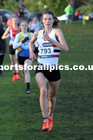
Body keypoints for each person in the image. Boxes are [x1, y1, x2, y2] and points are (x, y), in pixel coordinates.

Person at [29, 10, 69, 131]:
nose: (47, 21)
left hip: (54, 69)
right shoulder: (37, 33)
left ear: (53, 20)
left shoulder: (57, 32)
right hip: (41, 67)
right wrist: (31, 51)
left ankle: (50, 116)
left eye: (49, 19)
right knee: (43, 91)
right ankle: (45, 120)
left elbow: (65, 48)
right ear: (42, 21)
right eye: (45, 19)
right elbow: (31, 43)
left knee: (52, 96)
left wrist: (51, 40)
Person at [13, 20, 33, 94]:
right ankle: (25, 78)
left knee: (26, 69)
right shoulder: (18, 35)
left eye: (25, 25)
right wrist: (22, 42)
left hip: (29, 56)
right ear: (20, 27)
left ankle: (28, 88)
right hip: (20, 56)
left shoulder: (31, 34)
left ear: (27, 26)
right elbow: (14, 46)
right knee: (23, 72)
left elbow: (37, 44)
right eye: (22, 25)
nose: (24, 27)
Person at [2, 15, 20, 81]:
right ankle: (14, 74)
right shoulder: (10, 28)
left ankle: (18, 73)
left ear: (18, 21)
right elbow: (2, 37)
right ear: (12, 21)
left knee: (17, 59)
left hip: (17, 46)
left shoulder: (19, 28)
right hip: (11, 45)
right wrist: (6, 36)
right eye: (14, 20)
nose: (15, 21)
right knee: (12, 61)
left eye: (16, 20)